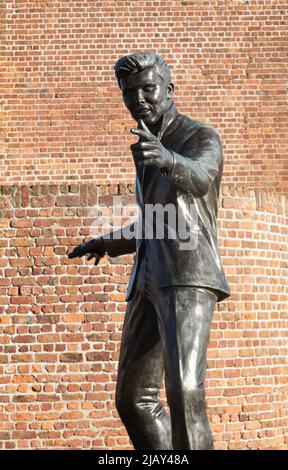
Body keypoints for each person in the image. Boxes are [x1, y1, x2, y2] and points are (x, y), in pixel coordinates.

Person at [68, 52, 230, 450]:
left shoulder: (199, 137)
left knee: (185, 391)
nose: (138, 98)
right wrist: (107, 242)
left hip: (188, 274)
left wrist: (167, 158)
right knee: (133, 398)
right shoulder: (145, 143)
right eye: (129, 92)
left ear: (169, 90)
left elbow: (202, 177)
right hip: (147, 279)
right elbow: (157, 220)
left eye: (148, 88)